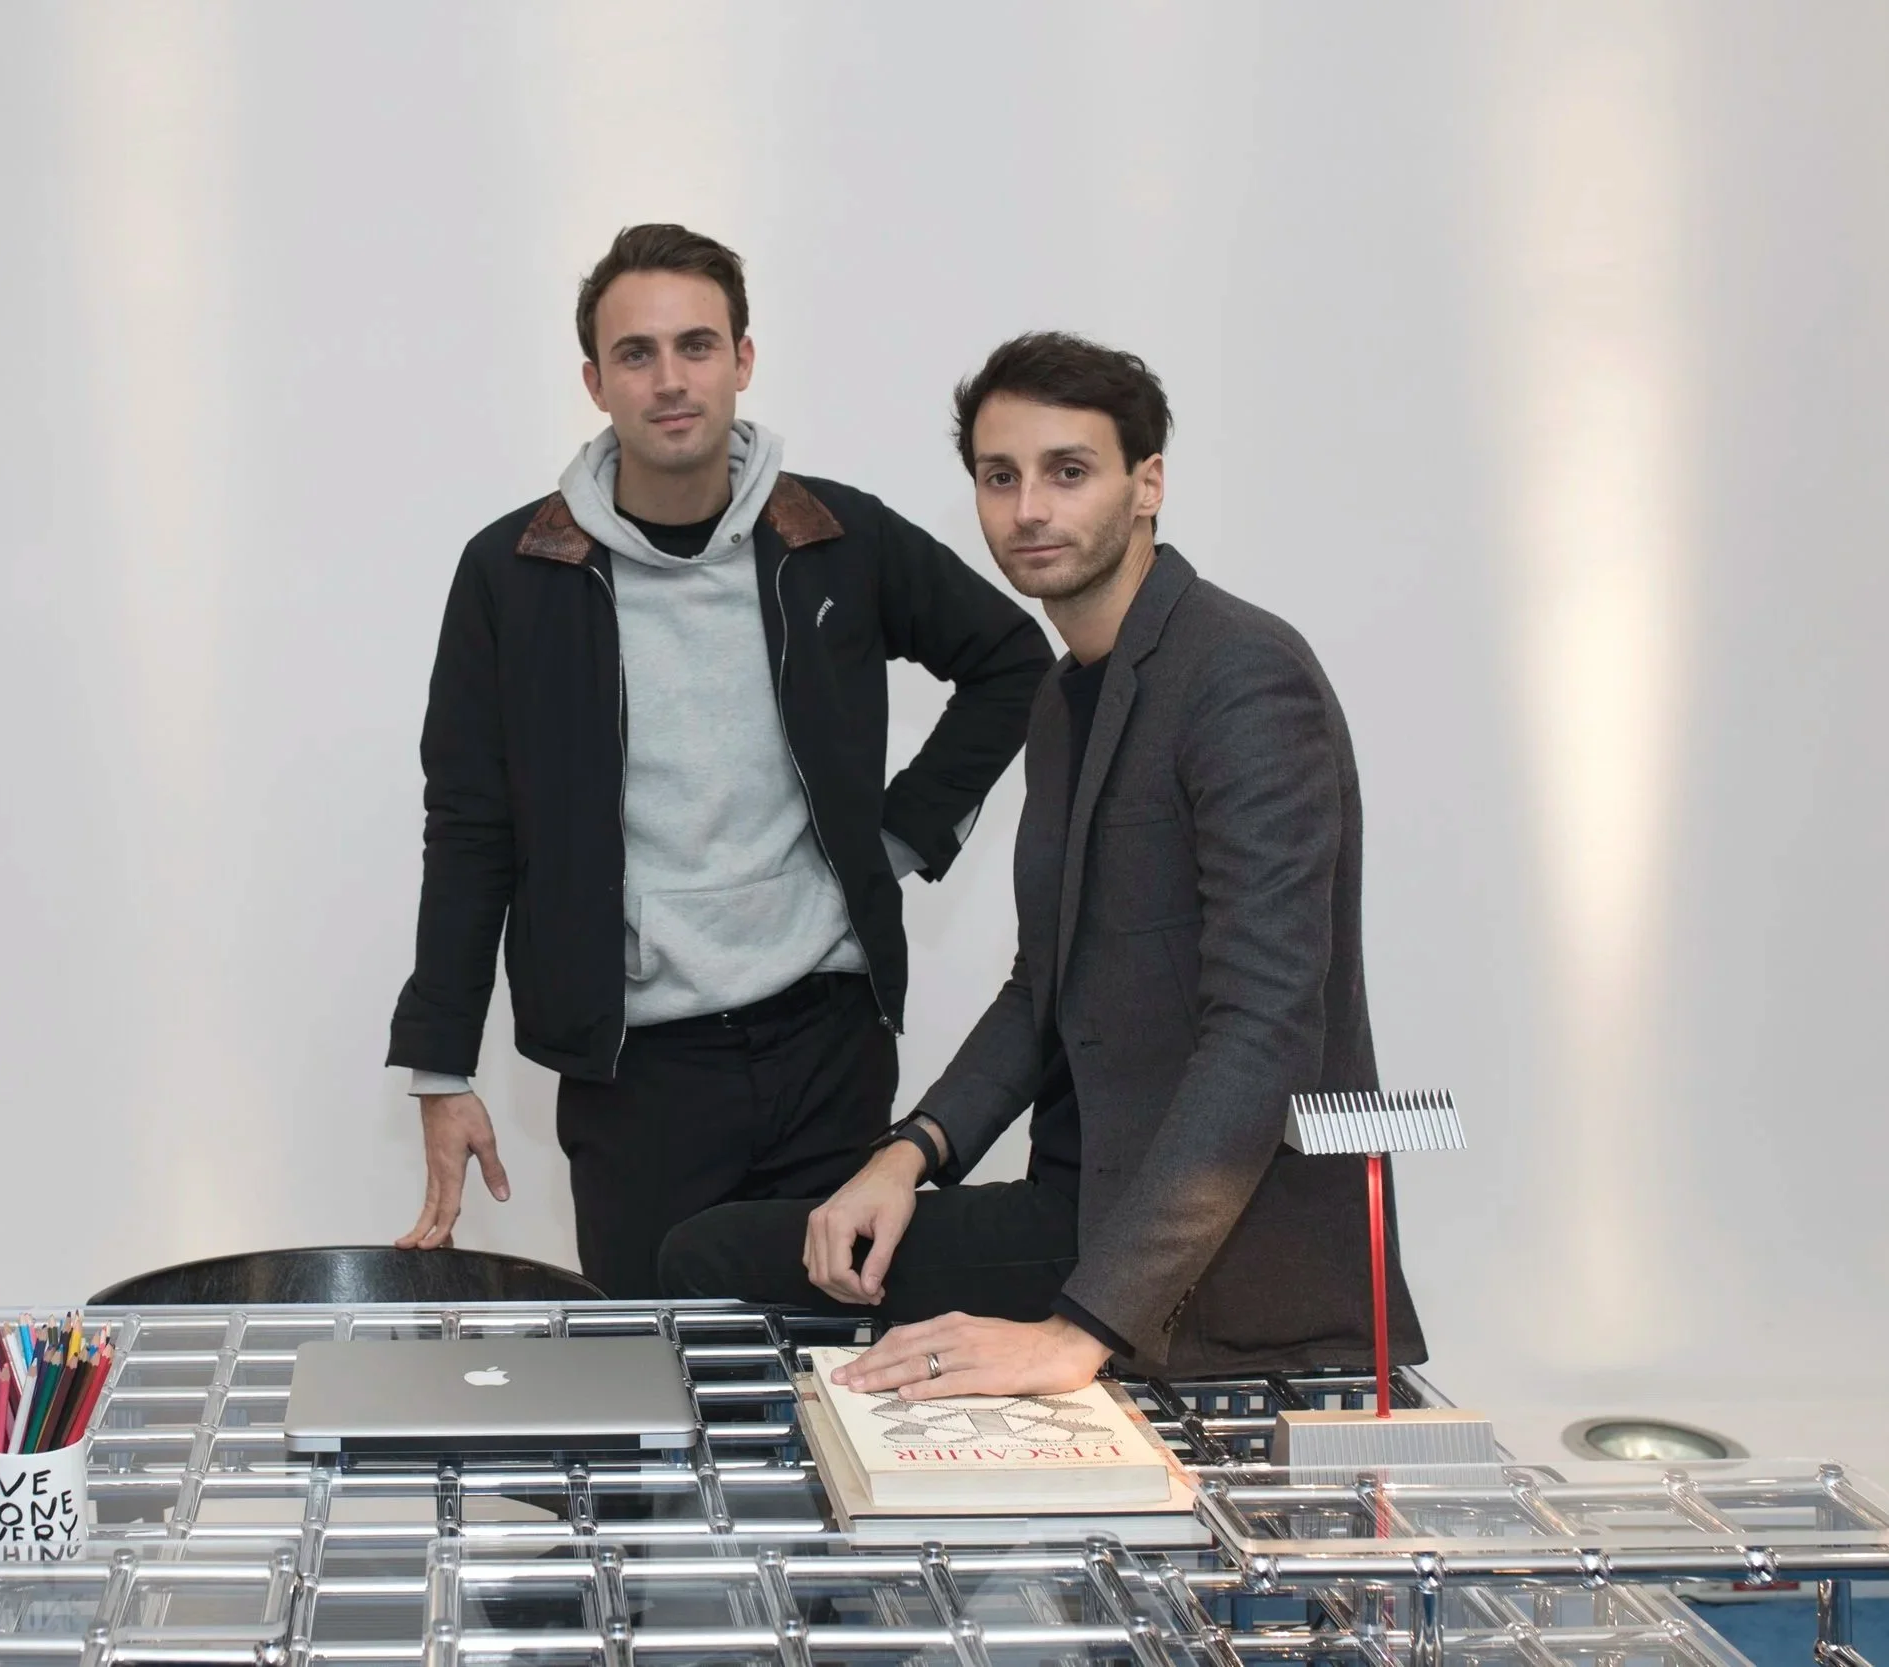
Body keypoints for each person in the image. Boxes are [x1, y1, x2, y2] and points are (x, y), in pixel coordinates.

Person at [659, 331, 1424, 1396]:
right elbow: (1041, 987)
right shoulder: (1066, 696)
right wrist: (906, 1153)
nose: (1028, 510)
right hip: (1084, 1201)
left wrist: (1080, 1328)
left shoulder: (1242, 677)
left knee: (719, 1265)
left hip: (1209, 1260)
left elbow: (1265, 1031)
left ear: (1146, 482)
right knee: (722, 1254)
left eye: (1069, 472)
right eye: (998, 476)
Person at [387, 225, 1054, 1297]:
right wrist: (441, 1064)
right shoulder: (516, 574)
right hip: (636, 1070)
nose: (669, 380)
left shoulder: (835, 536)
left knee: (842, 1375)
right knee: (654, 1381)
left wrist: (894, 837)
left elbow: (1012, 659)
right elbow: (469, 823)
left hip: (827, 1045)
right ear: (594, 381)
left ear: (743, 359)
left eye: (696, 346)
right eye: (637, 354)